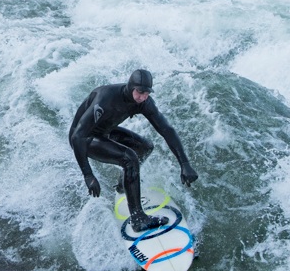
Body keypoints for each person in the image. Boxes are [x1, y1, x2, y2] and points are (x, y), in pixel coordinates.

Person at [69, 69, 199, 231]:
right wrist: (88, 174)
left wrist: (184, 163)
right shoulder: (106, 98)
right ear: (131, 87)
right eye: (140, 92)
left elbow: (166, 129)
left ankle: (124, 184)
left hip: (104, 133)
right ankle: (138, 219)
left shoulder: (144, 102)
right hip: (84, 139)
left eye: (147, 93)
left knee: (144, 147)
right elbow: (78, 136)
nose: (143, 97)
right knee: (130, 158)